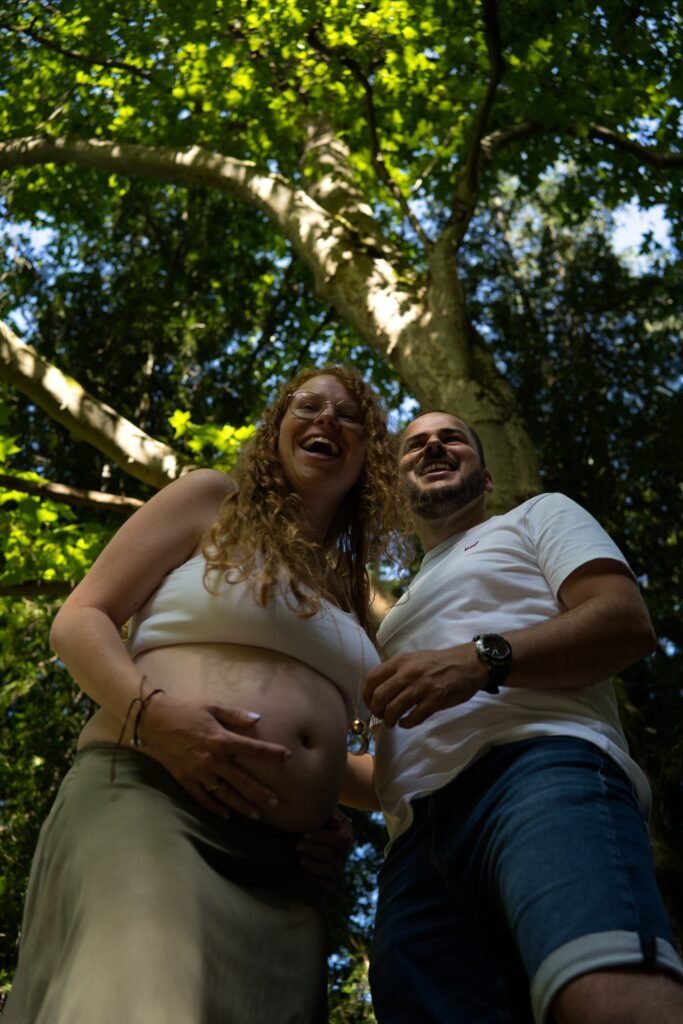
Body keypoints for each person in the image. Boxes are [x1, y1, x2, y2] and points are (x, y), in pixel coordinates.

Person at [3, 366, 399, 1024]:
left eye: (349, 415)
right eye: (309, 406)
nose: (327, 419)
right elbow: (79, 621)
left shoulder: (351, 596)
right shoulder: (212, 500)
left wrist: (327, 796)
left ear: (368, 458)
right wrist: (153, 718)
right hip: (153, 798)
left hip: (286, 875)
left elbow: (367, 773)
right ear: (276, 430)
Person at [363, 410, 683, 1024]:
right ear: (398, 494)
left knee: (603, 993)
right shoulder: (393, 616)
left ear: (485, 480)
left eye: (452, 437)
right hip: (412, 849)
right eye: (415, 444)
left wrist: (482, 660)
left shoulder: (536, 517)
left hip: (541, 773)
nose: (433, 444)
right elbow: (394, 760)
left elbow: (623, 622)